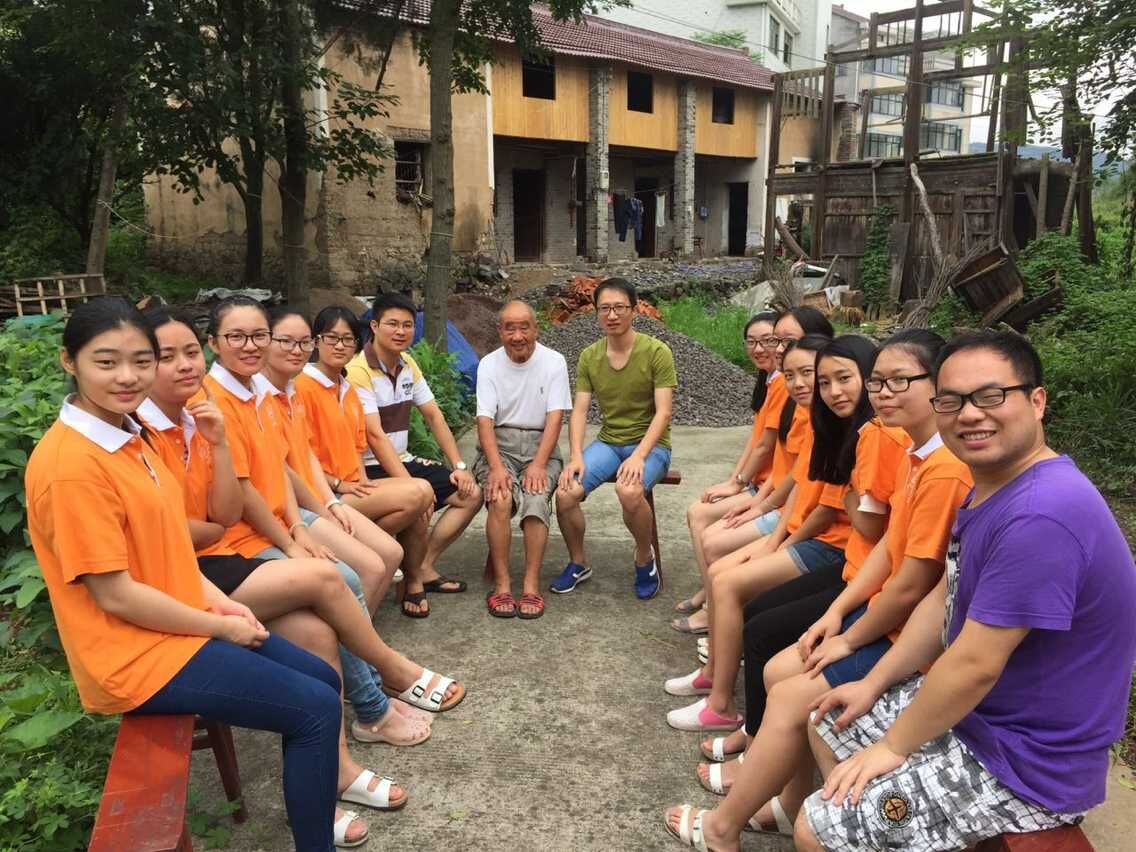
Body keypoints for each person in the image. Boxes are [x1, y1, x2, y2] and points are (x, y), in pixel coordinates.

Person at [794, 330, 1136, 852]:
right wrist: (874, 682)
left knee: (818, 827)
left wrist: (893, 747)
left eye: (991, 396)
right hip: (987, 718)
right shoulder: (993, 486)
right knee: (828, 720)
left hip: (1027, 760)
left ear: (1037, 401)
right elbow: (943, 597)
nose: (971, 414)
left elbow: (975, 663)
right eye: (952, 401)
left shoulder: (1041, 515)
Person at [25, 297, 343, 851]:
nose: (128, 377)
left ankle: (313, 814)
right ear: (68, 361)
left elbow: (170, 544)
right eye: (106, 362)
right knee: (313, 710)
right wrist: (220, 626)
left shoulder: (132, 435)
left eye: (141, 361)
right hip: (134, 656)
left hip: (181, 623)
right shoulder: (71, 467)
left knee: (324, 680)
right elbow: (116, 595)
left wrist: (222, 602)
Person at [670, 331, 973, 845]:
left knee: (792, 690)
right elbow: (889, 547)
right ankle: (787, 802)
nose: (883, 393)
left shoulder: (936, 467)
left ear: (939, 386)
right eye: (879, 382)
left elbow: (909, 579)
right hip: (876, 602)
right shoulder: (915, 452)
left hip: (905, 634)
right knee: (776, 664)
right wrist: (838, 614)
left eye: (899, 381)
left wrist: (849, 635)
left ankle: (724, 826)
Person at [665, 335, 860, 733]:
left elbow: (826, 510)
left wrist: (778, 542)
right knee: (721, 573)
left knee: (729, 582)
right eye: (791, 375)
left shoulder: (853, 432)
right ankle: (714, 676)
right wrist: (769, 529)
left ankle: (721, 702)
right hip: (808, 533)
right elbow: (800, 485)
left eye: (812, 375)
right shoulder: (824, 423)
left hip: (831, 544)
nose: (802, 384)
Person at [676, 307, 833, 634]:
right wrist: (737, 483)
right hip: (776, 496)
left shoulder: (810, 402)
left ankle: (716, 607)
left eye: (780, 340)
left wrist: (749, 494)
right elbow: (768, 447)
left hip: (785, 504)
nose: (773, 349)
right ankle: (714, 598)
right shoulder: (779, 384)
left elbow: (777, 457)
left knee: (712, 536)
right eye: (773, 341)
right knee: (701, 516)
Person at [346, 292, 482, 618]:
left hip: (402, 459)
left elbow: (434, 415)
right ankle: (412, 581)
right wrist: (412, 487)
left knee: (470, 493)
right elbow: (375, 436)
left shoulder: (408, 364)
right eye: (392, 324)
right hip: (368, 468)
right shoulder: (357, 370)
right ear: (374, 326)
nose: (401, 331)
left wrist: (459, 465)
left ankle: (422, 567)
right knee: (418, 507)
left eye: (407, 325)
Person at [259, 306, 405, 607]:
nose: (296, 350)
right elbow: (282, 469)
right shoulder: (269, 395)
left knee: (391, 553)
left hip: (318, 498)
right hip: (291, 507)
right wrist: (328, 502)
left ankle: (360, 628)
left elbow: (308, 454)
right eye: (285, 341)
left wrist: (330, 504)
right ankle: (355, 632)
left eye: (302, 342)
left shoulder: (292, 391)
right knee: (370, 567)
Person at [553, 277, 677, 600]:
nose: (612, 315)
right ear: (596, 312)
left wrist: (639, 457)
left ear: (634, 310)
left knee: (629, 491)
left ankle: (644, 557)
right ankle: (579, 562)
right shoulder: (589, 356)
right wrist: (576, 456)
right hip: (609, 443)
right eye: (604, 308)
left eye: (619, 307)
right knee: (565, 493)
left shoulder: (657, 352)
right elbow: (580, 410)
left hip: (651, 445)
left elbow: (664, 413)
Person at [295, 306, 435, 539]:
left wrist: (364, 481)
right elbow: (300, 456)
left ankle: (364, 545)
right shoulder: (301, 387)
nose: (340, 346)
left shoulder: (347, 389)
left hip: (353, 486)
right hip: (324, 493)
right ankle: (359, 545)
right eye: (332, 338)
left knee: (419, 508)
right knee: (419, 491)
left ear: (356, 345)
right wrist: (337, 484)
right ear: (316, 341)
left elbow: (357, 448)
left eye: (348, 339)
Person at [475, 300, 572, 619]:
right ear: (500, 331)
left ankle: (531, 584)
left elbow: (555, 417)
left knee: (536, 498)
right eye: (510, 328)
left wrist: (539, 464)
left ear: (536, 329)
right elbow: (485, 420)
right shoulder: (488, 364)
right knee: (500, 497)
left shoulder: (554, 361)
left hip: (540, 445)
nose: (517, 336)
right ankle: (502, 584)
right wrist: (496, 467)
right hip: (499, 444)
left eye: (524, 328)